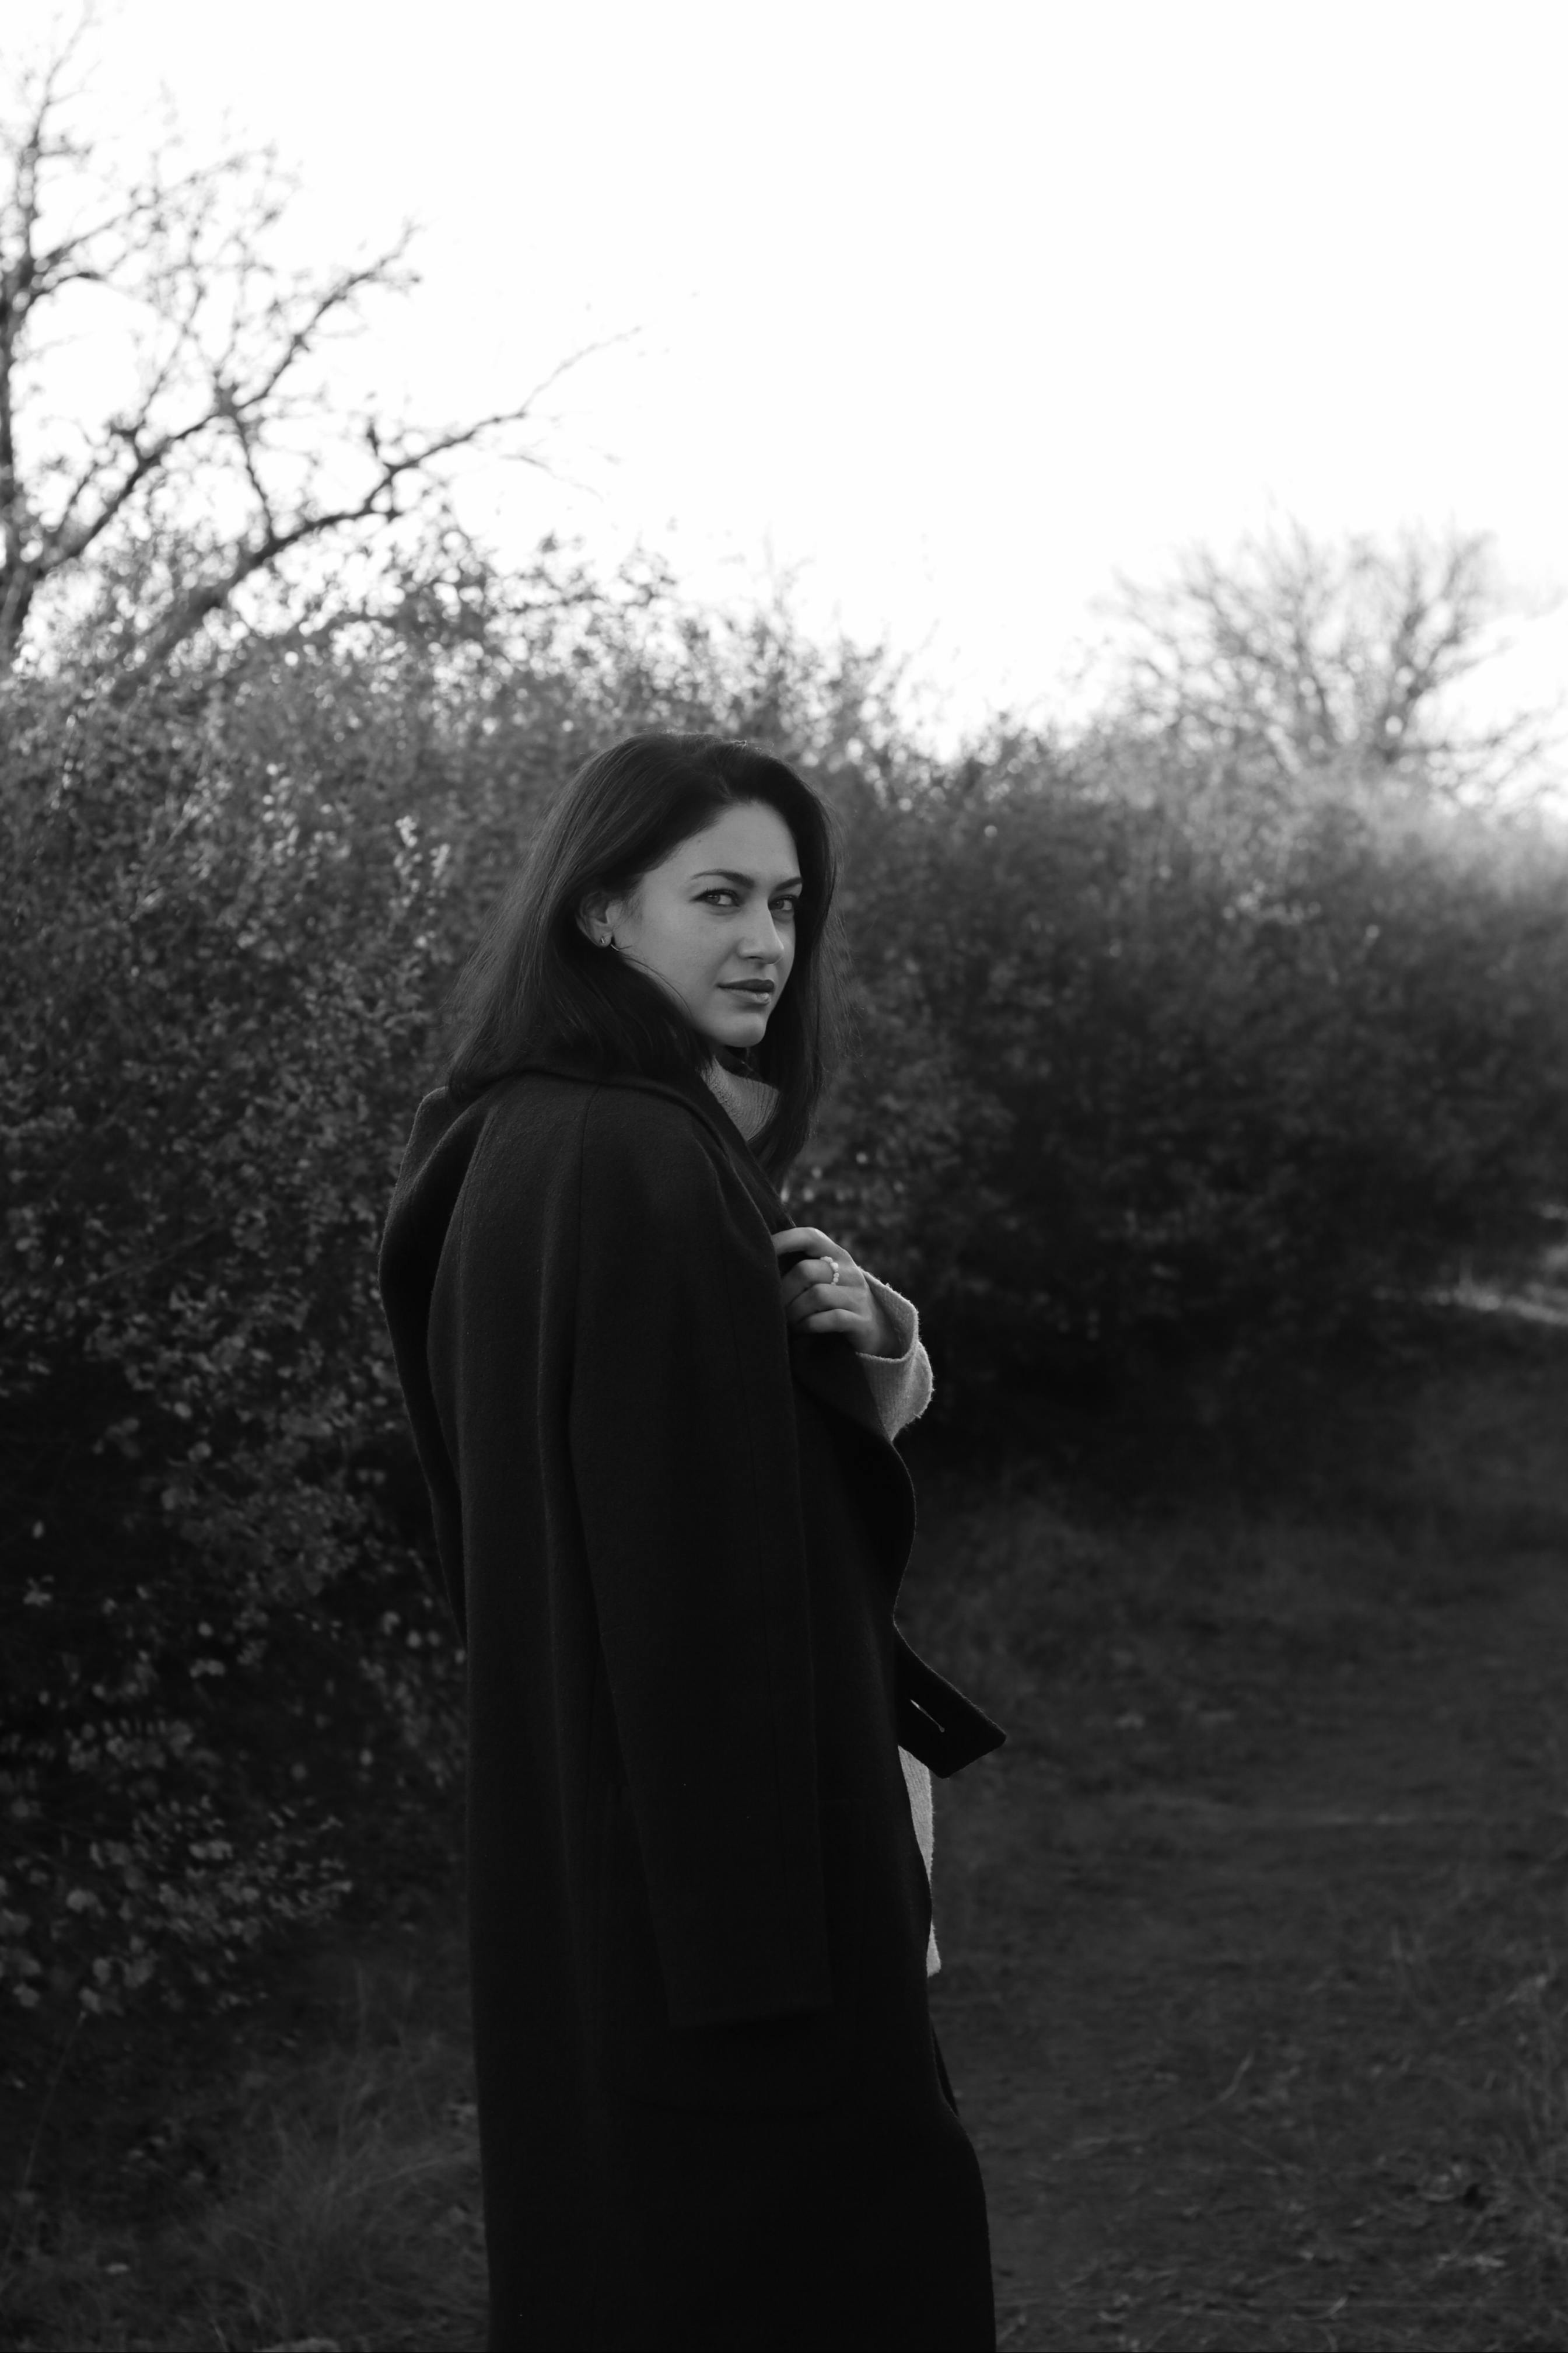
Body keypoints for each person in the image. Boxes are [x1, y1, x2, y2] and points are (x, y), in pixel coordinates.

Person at [379, 732, 1006, 2351]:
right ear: (599, 911)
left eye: (787, 902)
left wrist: (856, 1353)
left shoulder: (507, 1142)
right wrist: (766, 1971)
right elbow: (707, 1600)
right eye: (717, 895)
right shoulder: (648, 1162)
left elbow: (640, 1509)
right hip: (727, 1920)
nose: (767, 943)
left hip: (595, 1869)